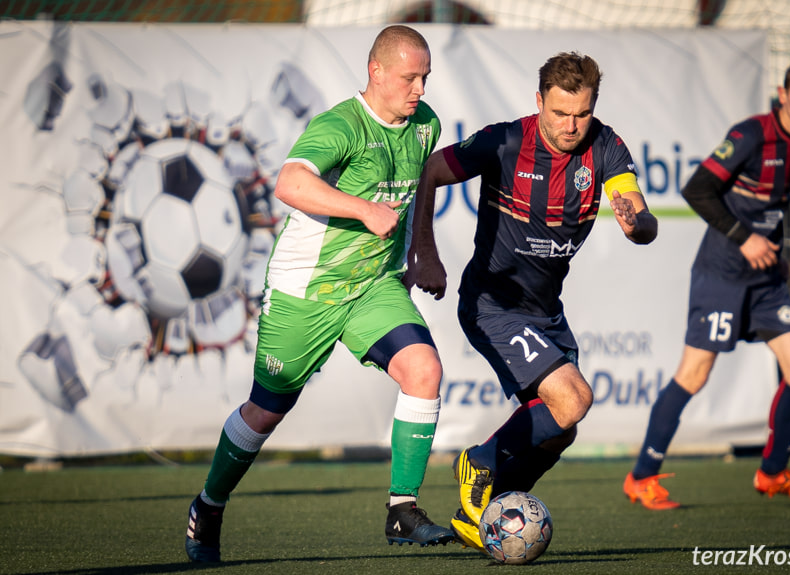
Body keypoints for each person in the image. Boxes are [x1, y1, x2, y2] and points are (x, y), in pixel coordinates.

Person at [184, 24, 455, 562]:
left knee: (424, 370)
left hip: (373, 286)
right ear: (376, 72)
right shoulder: (340, 125)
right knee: (265, 412)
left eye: (425, 77)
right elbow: (289, 183)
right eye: (409, 77)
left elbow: (423, 182)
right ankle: (210, 503)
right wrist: (363, 209)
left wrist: (423, 249)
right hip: (305, 291)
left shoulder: (425, 124)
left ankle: (402, 510)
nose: (420, 89)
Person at [407, 51, 658, 551]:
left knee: (559, 431)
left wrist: (637, 221)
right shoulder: (506, 140)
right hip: (491, 305)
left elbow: (640, 215)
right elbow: (432, 169)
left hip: (546, 313)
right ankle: (479, 461)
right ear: (539, 101)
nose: (571, 125)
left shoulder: (605, 146)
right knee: (573, 399)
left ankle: (481, 512)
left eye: (582, 114)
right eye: (560, 112)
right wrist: (425, 252)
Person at [623, 60, 790, 510]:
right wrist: (746, 238)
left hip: (765, 279)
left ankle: (772, 472)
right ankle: (641, 477)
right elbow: (696, 189)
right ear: (782, 93)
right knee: (694, 375)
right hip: (721, 274)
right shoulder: (752, 134)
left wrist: (784, 259)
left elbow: (770, 210)